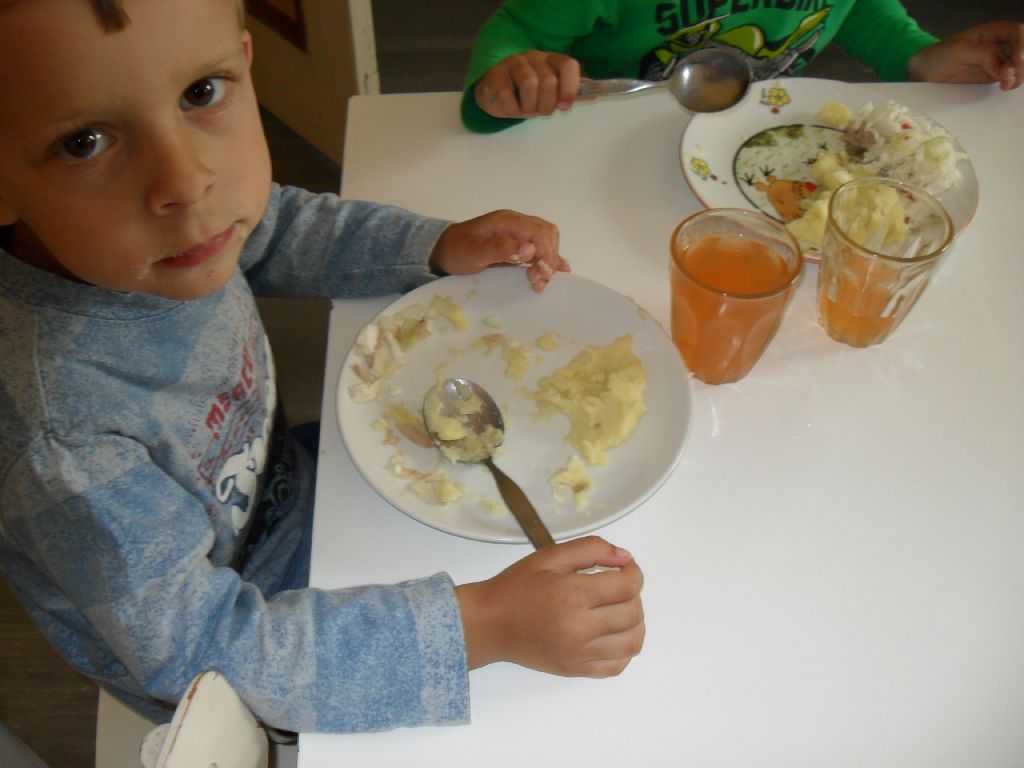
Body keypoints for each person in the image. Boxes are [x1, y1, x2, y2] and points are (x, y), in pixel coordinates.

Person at [0, 0, 646, 734]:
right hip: (243, 668)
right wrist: (483, 626)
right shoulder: (61, 440)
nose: (186, 180)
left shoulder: (169, 234)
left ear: (245, 62)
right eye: (84, 142)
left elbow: (274, 230)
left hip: (289, 493)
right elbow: (204, 655)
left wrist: (430, 248)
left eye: (201, 93)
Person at [461, 0, 1024, 133]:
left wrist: (919, 56)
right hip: (607, 131)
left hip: (758, 131)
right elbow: (519, 30)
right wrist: (505, 80)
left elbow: (853, 10)